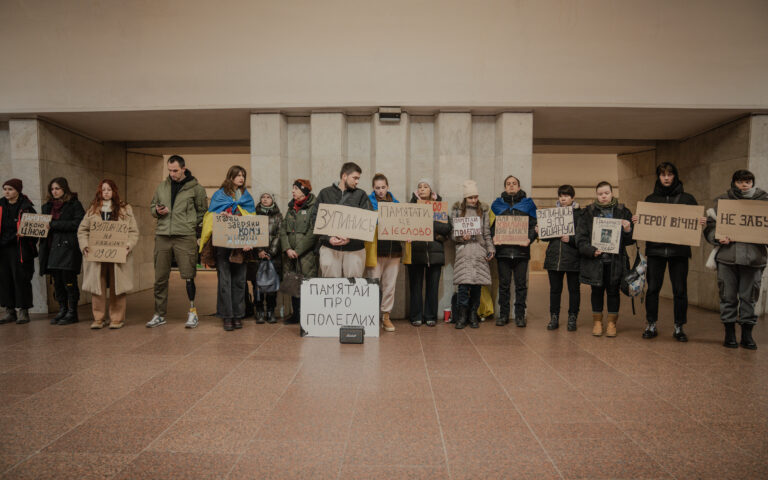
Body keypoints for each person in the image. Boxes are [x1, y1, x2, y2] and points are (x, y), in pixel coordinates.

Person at [631, 162, 705, 342]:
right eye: (663, 174)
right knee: (653, 289)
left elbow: (694, 225)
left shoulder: (688, 199)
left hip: (679, 252)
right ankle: (651, 324)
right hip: (655, 252)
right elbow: (645, 224)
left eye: (669, 174)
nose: (666, 178)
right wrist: (638, 220)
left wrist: (701, 222)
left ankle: (679, 327)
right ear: (658, 177)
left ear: (675, 176)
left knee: (680, 290)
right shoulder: (650, 200)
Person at [704, 169, 767, 350]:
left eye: (748, 181)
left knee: (749, 298)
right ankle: (729, 334)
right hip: (728, 258)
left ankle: (747, 336)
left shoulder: (764, 202)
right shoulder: (722, 202)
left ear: (752, 183)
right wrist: (717, 237)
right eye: (740, 181)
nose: (744, 184)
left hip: (754, 259)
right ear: (734, 183)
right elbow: (709, 226)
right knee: (727, 296)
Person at [148, 155, 208, 328]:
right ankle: (159, 314)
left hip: (184, 236)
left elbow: (203, 211)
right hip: (163, 235)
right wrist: (158, 211)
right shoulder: (162, 186)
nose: (172, 174)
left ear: (183, 168)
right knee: (160, 278)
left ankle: (192, 313)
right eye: (169, 170)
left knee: (189, 276)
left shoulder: (196, 188)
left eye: (175, 170)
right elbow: (152, 207)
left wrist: (189, 224)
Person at [78, 180, 139, 329]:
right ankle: (98, 318)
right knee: (97, 287)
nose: (106, 192)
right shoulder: (93, 209)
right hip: (97, 256)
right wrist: (85, 245)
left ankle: (117, 319)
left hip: (118, 255)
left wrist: (128, 246)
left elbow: (133, 231)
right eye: (103, 189)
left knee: (117, 287)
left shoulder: (125, 209)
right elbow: (83, 230)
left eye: (109, 189)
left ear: (114, 191)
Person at [576, 181, 634, 337]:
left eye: (606, 193)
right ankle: (597, 322)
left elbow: (631, 240)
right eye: (600, 194)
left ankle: (611, 323)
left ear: (612, 193)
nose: (603, 196)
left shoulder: (623, 211)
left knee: (614, 291)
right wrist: (591, 251)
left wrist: (628, 229)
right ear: (596, 195)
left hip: (616, 261)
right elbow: (580, 239)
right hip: (596, 261)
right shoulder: (587, 212)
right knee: (596, 290)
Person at [206, 166, 255, 331]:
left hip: (240, 246)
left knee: (240, 280)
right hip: (223, 245)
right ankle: (227, 315)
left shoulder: (246, 197)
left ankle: (238, 315)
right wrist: (223, 215)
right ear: (231, 177)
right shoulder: (220, 195)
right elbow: (211, 216)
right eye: (238, 175)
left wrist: (250, 240)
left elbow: (251, 220)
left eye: (243, 175)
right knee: (225, 281)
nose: (241, 178)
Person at [491, 175, 537, 327]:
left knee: (521, 285)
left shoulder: (528, 204)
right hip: (503, 251)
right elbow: (491, 227)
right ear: (505, 187)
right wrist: (494, 237)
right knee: (503, 285)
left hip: (521, 252)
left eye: (514, 184)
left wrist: (530, 238)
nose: (511, 186)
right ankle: (503, 315)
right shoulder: (496, 205)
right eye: (508, 184)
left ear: (518, 187)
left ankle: (519, 316)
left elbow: (535, 226)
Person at [38, 177, 85, 325]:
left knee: (68, 281)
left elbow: (78, 223)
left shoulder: (74, 204)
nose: (54, 191)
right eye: (52, 189)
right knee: (57, 282)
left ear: (64, 189)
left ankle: (72, 312)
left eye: (57, 188)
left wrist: (54, 224)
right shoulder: (46, 207)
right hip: (51, 249)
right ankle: (62, 310)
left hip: (68, 249)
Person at [408, 178, 452, 327]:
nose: (422, 189)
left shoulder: (440, 207)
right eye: (419, 187)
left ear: (431, 191)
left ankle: (431, 316)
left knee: (433, 287)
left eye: (425, 186)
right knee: (415, 287)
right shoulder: (410, 207)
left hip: (435, 254)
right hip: (416, 252)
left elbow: (446, 228)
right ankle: (416, 316)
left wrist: (428, 221)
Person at [316, 162, 372, 278]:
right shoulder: (325, 193)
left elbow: (368, 221)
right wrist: (328, 238)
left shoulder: (361, 195)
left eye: (358, 179)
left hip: (354, 249)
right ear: (344, 176)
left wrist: (350, 237)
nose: (357, 181)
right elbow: (314, 219)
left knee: (354, 285)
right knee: (330, 285)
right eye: (355, 178)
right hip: (329, 247)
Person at [452, 180, 495, 329]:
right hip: (464, 253)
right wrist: (460, 237)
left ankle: (473, 314)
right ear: (465, 198)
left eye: (475, 197)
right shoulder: (457, 211)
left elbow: (487, 233)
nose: (474, 200)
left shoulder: (483, 211)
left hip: (479, 252)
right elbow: (453, 235)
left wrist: (491, 249)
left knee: (477, 287)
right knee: (463, 288)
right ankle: (462, 316)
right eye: (470, 197)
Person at [539, 185, 580, 331]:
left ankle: (572, 317)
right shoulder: (552, 214)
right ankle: (554, 317)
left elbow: (584, 236)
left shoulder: (579, 214)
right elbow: (545, 239)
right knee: (555, 290)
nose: (563, 198)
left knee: (574, 290)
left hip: (573, 258)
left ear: (573, 198)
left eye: (567, 196)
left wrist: (571, 239)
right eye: (561, 196)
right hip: (554, 258)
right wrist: (541, 231)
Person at [365, 173, 403, 332]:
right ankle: (370, 317)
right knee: (372, 285)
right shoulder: (367, 203)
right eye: (377, 188)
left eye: (383, 187)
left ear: (387, 187)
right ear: (373, 188)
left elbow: (404, 225)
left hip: (393, 251)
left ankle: (386, 317)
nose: (380, 190)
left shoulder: (397, 204)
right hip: (375, 251)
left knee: (389, 286)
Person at [279, 179, 318, 325]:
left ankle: (308, 316)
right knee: (293, 286)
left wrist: (298, 250)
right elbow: (283, 230)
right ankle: (296, 315)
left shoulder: (314, 208)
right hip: (290, 256)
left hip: (306, 256)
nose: (293, 191)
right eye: (292, 188)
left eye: (295, 188)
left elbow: (313, 232)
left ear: (304, 191)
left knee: (307, 286)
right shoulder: (290, 208)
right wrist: (287, 248)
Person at [0, 179, 37, 324]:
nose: (7, 192)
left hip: (20, 249)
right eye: (5, 189)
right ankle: (9, 311)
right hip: (2, 249)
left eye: (10, 189)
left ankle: (23, 310)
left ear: (18, 191)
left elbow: (35, 232)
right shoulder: (1, 205)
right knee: (4, 279)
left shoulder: (27, 207)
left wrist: (25, 234)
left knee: (21, 279)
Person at [249, 192, 282, 324]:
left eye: (268, 197)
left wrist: (271, 252)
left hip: (273, 256)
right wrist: (260, 250)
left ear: (272, 200)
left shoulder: (279, 216)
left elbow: (279, 235)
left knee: (272, 286)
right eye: (263, 197)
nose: (265, 199)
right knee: (257, 285)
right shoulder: (254, 215)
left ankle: (270, 311)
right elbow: (252, 233)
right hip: (258, 256)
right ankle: (259, 311)